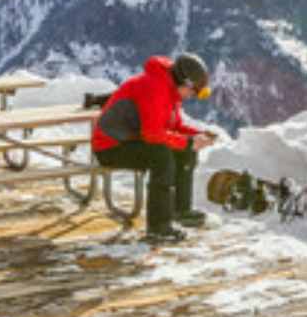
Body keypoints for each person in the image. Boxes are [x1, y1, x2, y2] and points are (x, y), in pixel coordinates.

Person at [90, 53, 218, 243]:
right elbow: (152, 133)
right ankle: (158, 227)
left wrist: (195, 135)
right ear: (184, 82)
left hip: (131, 140)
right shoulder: (154, 88)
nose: (193, 95)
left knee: (185, 151)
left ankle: (180, 209)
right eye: (195, 91)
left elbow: (172, 127)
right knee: (161, 156)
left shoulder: (171, 90)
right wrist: (188, 141)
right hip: (110, 146)